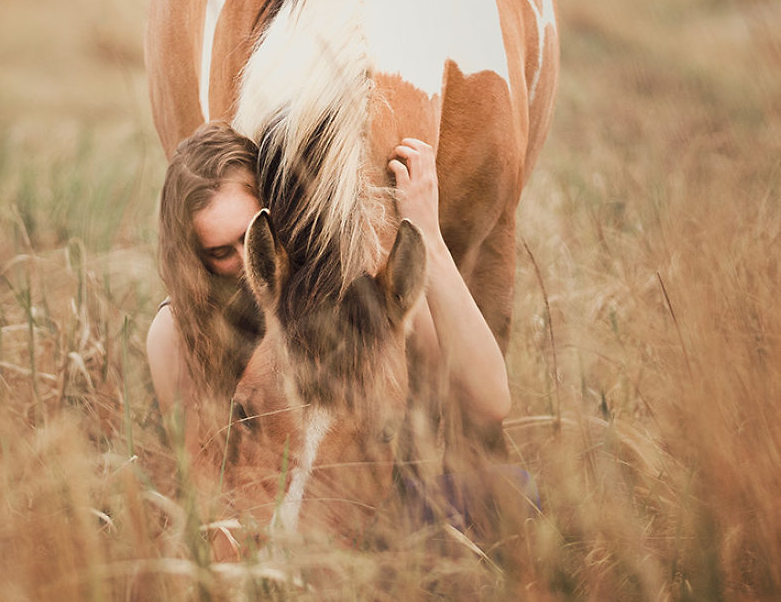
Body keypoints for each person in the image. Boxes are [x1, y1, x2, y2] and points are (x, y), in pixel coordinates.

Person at [147, 121, 514, 510]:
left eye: (254, 235)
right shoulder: (178, 331)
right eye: (220, 252)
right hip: (267, 517)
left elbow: (491, 399)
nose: (245, 261)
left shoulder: (343, 291)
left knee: (514, 489)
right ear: (194, 259)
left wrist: (429, 236)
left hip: (371, 510)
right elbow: (204, 487)